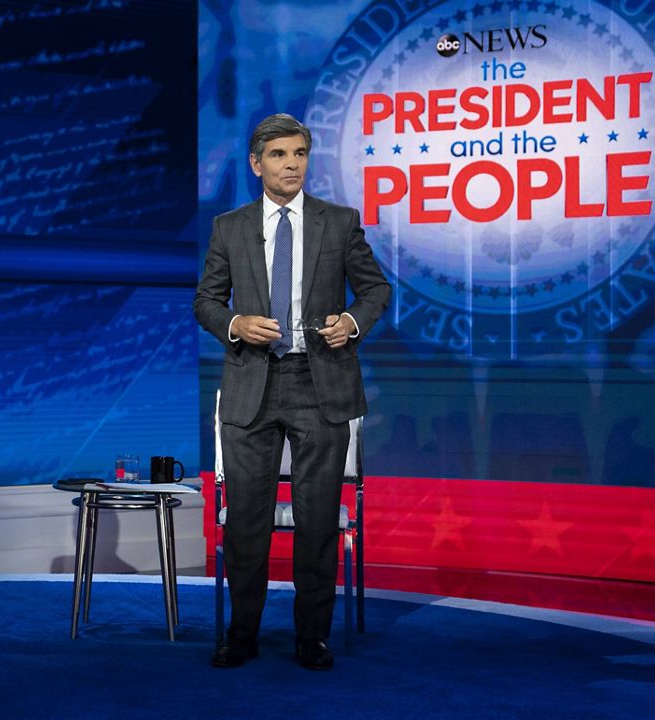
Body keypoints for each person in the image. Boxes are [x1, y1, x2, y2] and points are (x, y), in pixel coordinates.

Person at [194, 113, 390, 670]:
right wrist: (235, 324)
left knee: (317, 518)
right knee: (249, 520)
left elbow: (375, 290)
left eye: (300, 153)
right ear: (257, 164)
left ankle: (312, 637)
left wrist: (351, 322)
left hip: (318, 381)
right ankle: (242, 633)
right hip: (251, 382)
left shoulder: (340, 221)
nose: (291, 164)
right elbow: (206, 301)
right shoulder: (229, 227)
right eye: (279, 155)